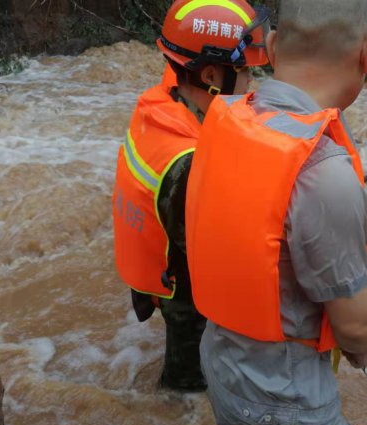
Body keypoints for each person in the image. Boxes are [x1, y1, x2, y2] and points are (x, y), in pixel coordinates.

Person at [185, 0, 367, 425]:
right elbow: (355, 328)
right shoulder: (322, 170)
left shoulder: (228, 121)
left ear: (270, 47)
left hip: (221, 363)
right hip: (284, 404)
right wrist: (362, 346)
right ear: (366, 55)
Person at [111, 0, 268, 392]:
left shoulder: (161, 101)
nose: (251, 81)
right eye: (245, 70)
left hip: (156, 255)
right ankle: (176, 409)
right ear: (212, 75)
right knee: (191, 379)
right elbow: (221, 255)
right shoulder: (188, 166)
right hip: (180, 283)